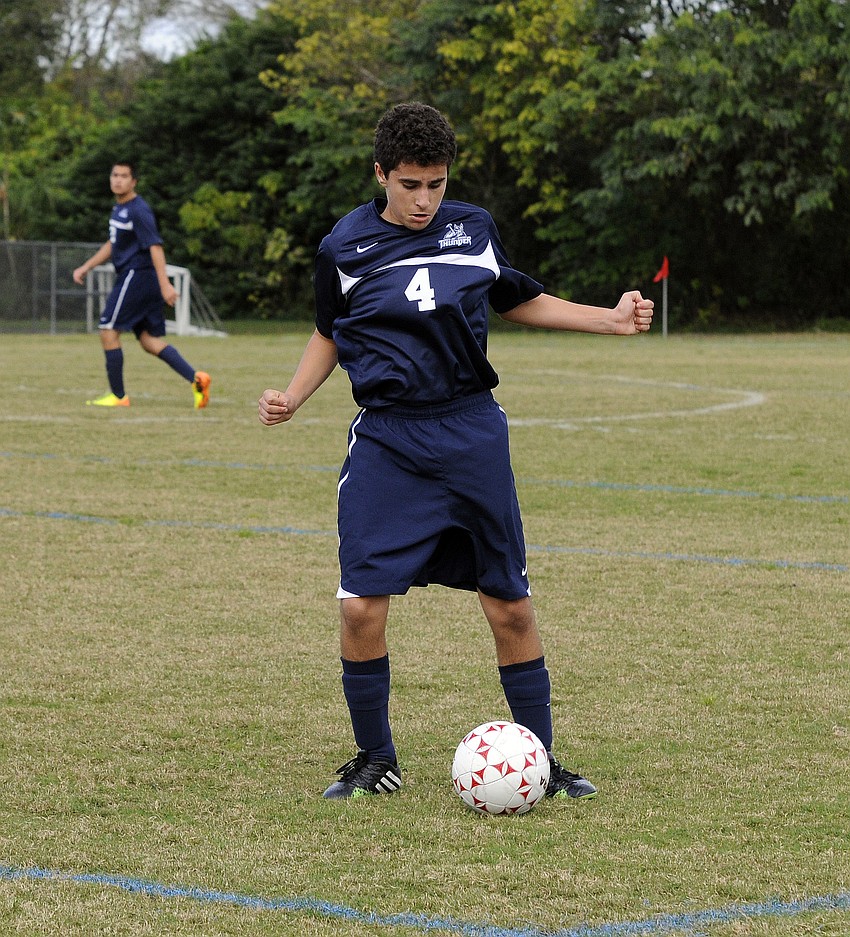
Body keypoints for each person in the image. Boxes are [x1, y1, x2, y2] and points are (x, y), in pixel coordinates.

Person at [258, 102, 653, 801]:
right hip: (388, 438)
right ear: (381, 173)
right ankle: (375, 758)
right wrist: (292, 395)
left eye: (435, 184)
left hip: (471, 431)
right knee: (359, 607)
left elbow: (516, 297)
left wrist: (609, 320)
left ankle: (540, 758)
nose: (423, 199)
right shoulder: (342, 248)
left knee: (510, 605)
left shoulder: (473, 228)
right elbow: (329, 330)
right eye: (410, 184)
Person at [72, 161, 211, 408]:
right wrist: (87, 266)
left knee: (108, 330)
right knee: (149, 340)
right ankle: (196, 379)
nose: (118, 180)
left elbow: (155, 247)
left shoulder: (138, 210)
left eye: (124, 176)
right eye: (114, 175)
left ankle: (118, 396)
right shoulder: (119, 209)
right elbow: (113, 244)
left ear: (133, 181)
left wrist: (165, 284)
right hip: (140, 279)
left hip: (137, 275)